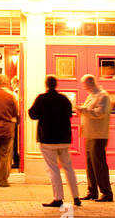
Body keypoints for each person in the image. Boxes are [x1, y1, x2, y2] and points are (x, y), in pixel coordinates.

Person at [29, 76, 82, 208]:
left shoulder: (41, 98)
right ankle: (76, 197)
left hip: (47, 138)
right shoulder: (64, 99)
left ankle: (58, 198)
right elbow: (70, 113)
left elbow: (32, 114)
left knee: (53, 169)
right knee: (68, 167)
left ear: (46, 85)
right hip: (63, 138)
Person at [78, 74, 113, 201]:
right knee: (90, 165)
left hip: (98, 135)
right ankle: (92, 191)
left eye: (85, 86)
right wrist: (84, 110)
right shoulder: (91, 96)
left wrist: (84, 110)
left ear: (91, 84)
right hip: (89, 134)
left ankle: (106, 192)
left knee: (99, 164)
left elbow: (100, 113)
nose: (84, 88)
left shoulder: (103, 96)